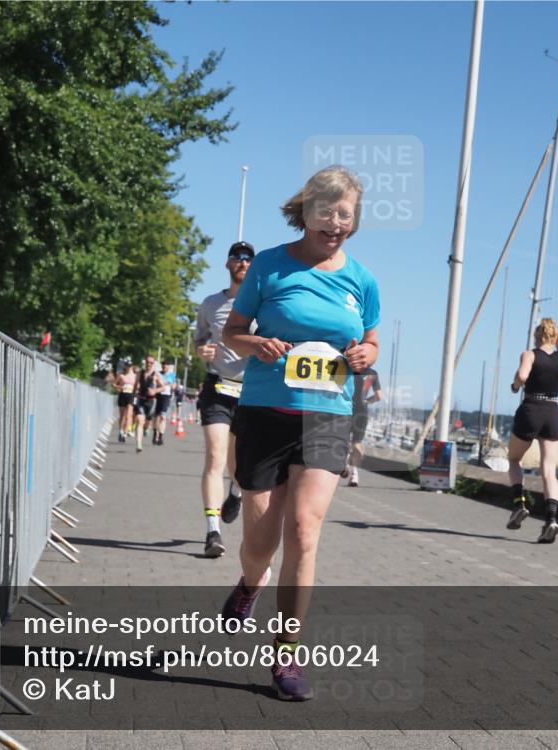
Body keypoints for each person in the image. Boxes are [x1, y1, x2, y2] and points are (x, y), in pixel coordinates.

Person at [221, 166, 380, 701]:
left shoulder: (362, 280)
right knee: (259, 545)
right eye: (325, 211)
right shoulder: (268, 266)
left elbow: (372, 341)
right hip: (266, 412)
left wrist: (366, 354)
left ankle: (286, 654)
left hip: (328, 417)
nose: (334, 222)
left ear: (354, 220)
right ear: (306, 211)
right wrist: (256, 344)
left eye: (345, 214)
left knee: (305, 531)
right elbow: (233, 332)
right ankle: (250, 584)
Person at [193, 240, 255, 558]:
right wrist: (201, 350)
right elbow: (199, 339)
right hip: (217, 387)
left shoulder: (262, 305)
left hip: (251, 393)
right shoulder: (210, 304)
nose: (242, 262)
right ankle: (212, 532)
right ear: (228, 264)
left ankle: (236, 491)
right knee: (215, 458)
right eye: (237, 257)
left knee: (239, 465)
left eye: (248, 258)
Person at [506, 318, 558, 544]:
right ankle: (551, 520)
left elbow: (522, 376)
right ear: (555, 336)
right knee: (549, 472)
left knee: (514, 459)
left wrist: (515, 386)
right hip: (552, 413)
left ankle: (519, 505)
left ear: (536, 335)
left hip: (531, 409)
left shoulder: (530, 355)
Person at [343, 367, 382, 487]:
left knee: (342, 440)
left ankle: (344, 464)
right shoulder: (372, 373)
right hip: (362, 411)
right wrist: (366, 401)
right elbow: (379, 396)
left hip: (346, 408)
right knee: (357, 442)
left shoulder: (348, 369)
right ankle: (354, 473)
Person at [134, 356, 164, 453]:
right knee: (140, 421)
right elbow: (135, 385)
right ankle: (139, 444)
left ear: (153, 364)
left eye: (151, 362)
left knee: (147, 421)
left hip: (151, 401)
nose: (149, 364)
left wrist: (155, 390)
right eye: (147, 362)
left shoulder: (156, 375)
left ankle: (147, 427)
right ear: (145, 362)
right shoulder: (140, 373)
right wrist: (133, 396)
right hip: (140, 399)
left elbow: (163, 387)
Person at [153, 361, 177, 443]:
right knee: (157, 416)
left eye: (166, 366)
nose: (164, 367)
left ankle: (160, 436)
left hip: (166, 396)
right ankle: (155, 432)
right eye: (163, 365)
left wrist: (173, 386)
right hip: (158, 395)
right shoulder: (158, 374)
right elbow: (154, 382)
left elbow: (173, 385)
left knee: (163, 416)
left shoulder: (172, 375)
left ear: (169, 367)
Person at [114, 361, 137, 442]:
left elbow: (138, 385)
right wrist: (119, 387)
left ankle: (125, 432)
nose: (128, 367)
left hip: (131, 395)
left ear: (132, 366)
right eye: (127, 366)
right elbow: (114, 384)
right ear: (125, 367)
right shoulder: (121, 375)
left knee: (128, 415)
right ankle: (120, 431)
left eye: (130, 366)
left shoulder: (135, 376)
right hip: (123, 395)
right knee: (122, 415)